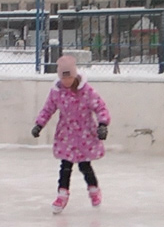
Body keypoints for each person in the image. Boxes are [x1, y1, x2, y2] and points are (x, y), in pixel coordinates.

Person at [31, 54, 111, 213]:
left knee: (84, 165)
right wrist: (39, 124)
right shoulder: (57, 92)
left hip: (85, 135)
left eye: (69, 78)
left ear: (74, 76)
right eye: (63, 78)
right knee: (65, 166)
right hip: (66, 134)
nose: (66, 82)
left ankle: (94, 190)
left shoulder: (86, 91)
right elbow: (48, 109)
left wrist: (102, 124)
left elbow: (100, 107)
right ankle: (62, 195)